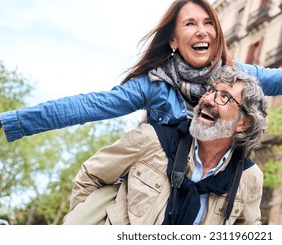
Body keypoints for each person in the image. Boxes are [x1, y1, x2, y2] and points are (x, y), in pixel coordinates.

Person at [0, 0, 282, 142]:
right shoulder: (153, 85)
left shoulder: (240, 76)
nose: (201, 30)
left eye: (208, 23)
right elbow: (86, 106)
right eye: (189, 24)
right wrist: (10, 122)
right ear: (173, 40)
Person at [64, 66, 267, 225]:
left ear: (243, 123)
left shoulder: (249, 178)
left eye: (225, 97)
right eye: (211, 91)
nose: (208, 100)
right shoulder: (150, 139)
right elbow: (91, 175)